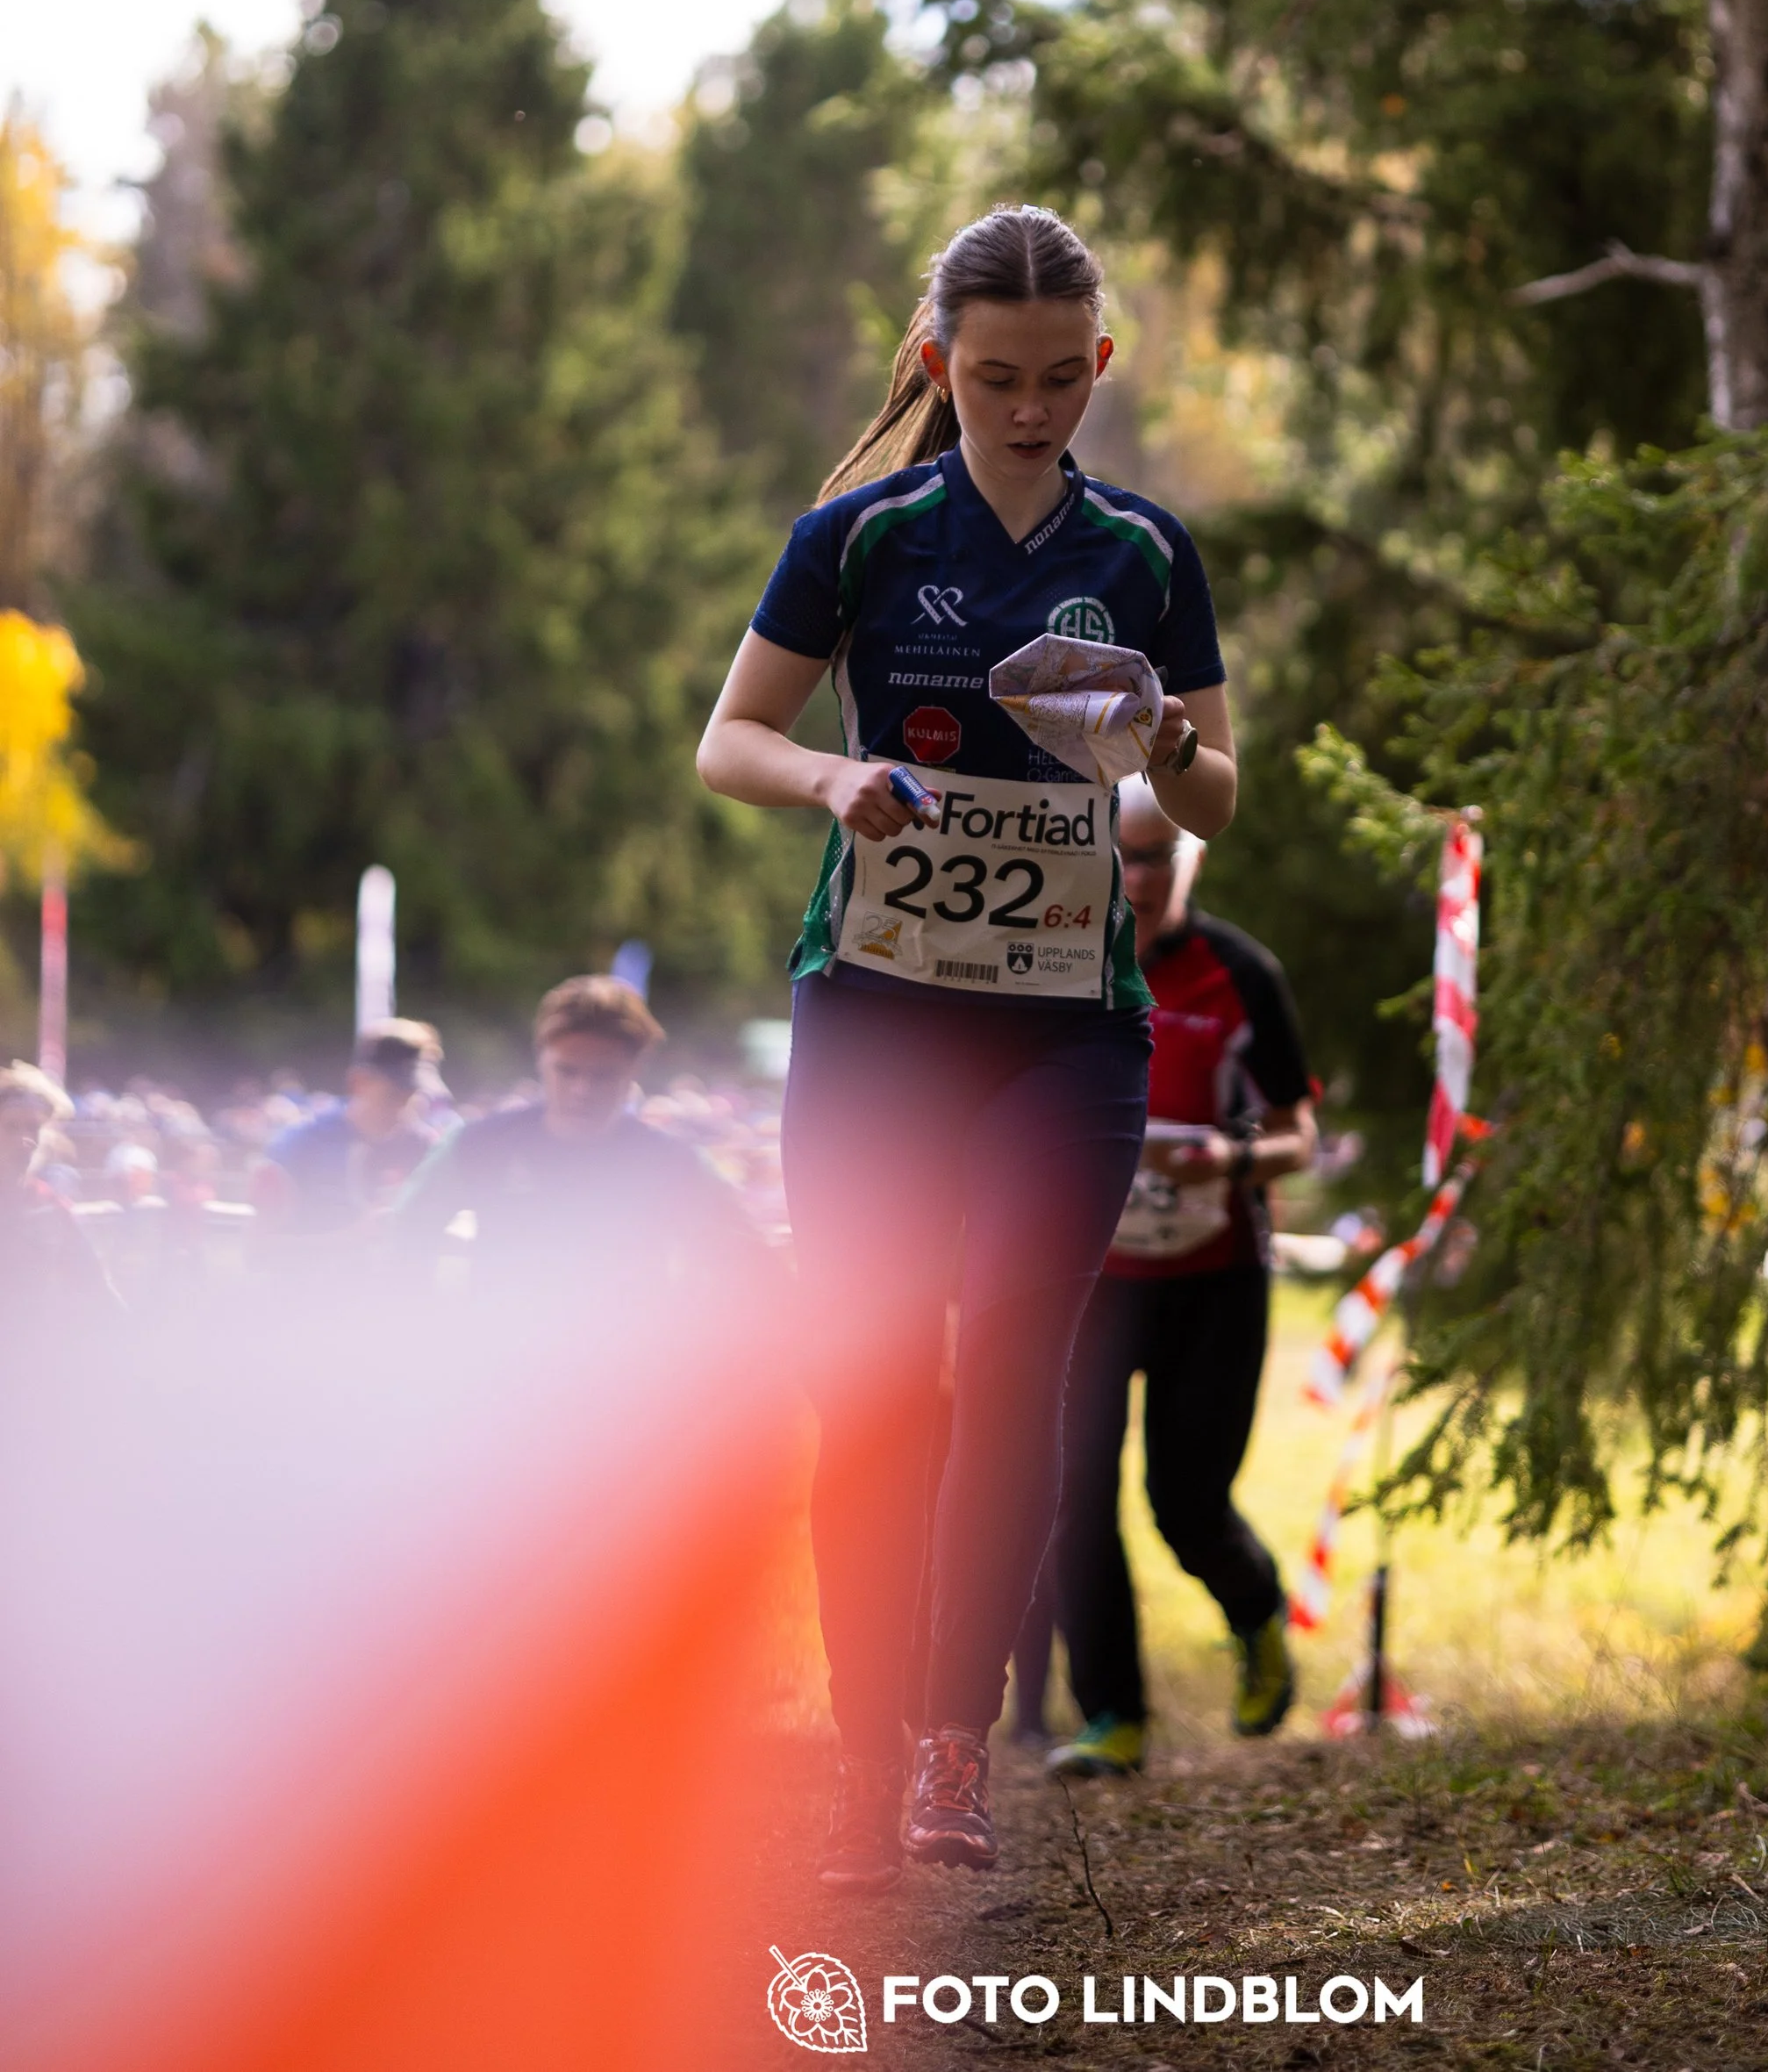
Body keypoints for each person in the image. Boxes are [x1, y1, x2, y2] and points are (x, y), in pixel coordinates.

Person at [697, 204, 1237, 1892]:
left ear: (1100, 366)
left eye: (1062, 380)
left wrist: (1161, 742)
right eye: (995, 378)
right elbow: (732, 740)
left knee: (1011, 1373)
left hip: (1064, 1039)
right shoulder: (859, 540)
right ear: (940, 365)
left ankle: (951, 1753)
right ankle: (863, 1770)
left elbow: (1214, 796)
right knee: (870, 1392)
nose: (1029, 409)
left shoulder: (1144, 555)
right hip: (872, 1017)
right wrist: (835, 782)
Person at [1040, 778, 1316, 1775]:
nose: (1139, 877)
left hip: (1215, 1276)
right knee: (1073, 1495)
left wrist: (1223, 1161)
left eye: (1157, 855)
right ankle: (1112, 1716)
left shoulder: (1240, 972)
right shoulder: (1058, 958)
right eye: (1120, 855)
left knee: (1186, 1499)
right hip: (1091, 1276)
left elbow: (1298, 1132)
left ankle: (1257, 1613)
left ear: (1190, 858)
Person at [382, 979, 758, 1296]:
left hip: (634, 1375)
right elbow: (401, 1240)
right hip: (502, 1374)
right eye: (567, 1071)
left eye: (602, 1075)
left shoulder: (675, 1163)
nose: (582, 1089)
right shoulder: (478, 1145)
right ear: (540, 1057)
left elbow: (754, 1270)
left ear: (634, 1069)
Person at [260, 1021, 447, 1233]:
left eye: (412, 1096)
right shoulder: (301, 1143)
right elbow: (262, 1250)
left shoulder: (424, 1148)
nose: (404, 1109)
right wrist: (355, 1237)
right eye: (393, 1095)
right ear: (358, 1082)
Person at [0, 1062, 120, 1316]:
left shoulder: (48, 1205)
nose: (25, 1140)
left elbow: (96, 1285)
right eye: (11, 1127)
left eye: (33, 1127)